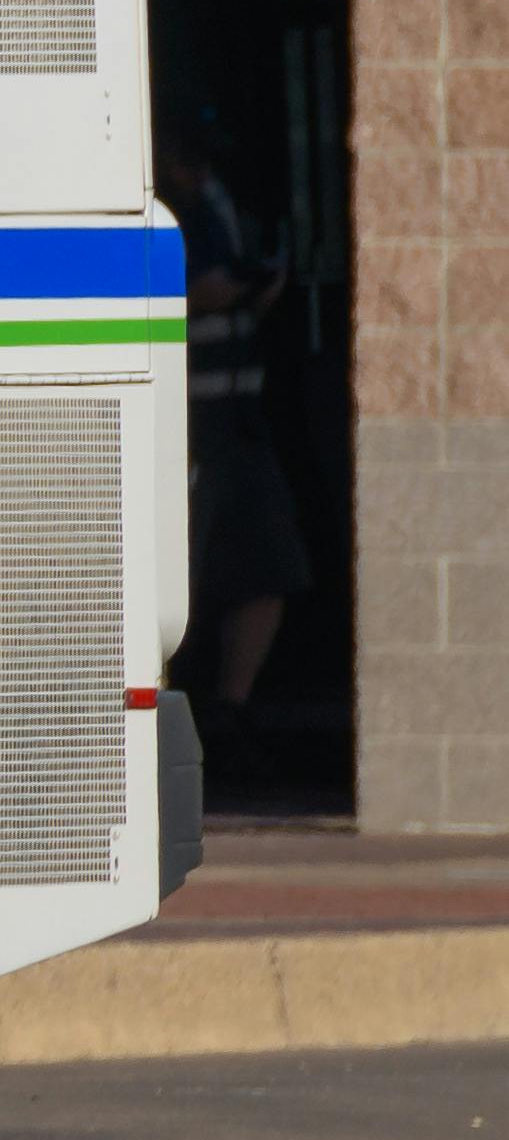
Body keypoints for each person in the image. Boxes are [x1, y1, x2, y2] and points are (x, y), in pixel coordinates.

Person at [160, 120, 315, 724]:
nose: (193, 170)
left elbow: (236, 286)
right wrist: (207, 292)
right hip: (187, 428)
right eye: (183, 158)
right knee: (175, 583)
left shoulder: (228, 207)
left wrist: (256, 287)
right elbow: (183, 292)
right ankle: (175, 712)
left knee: (271, 566)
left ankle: (234, 717)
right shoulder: (165, 214)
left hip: (242, 426)